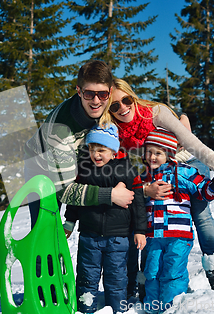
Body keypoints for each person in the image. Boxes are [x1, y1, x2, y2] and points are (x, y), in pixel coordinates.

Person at [103, 78, 214, 293]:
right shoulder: (116, 130)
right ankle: (145, 280)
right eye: (115, 106)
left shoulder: (156, 113)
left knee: (201, 215)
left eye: (126, 100)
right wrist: (143, 189)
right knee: (149, 218)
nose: (123, 108)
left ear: (133, 97)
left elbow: (191, 142)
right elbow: (117, 168)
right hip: (157, 169)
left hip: (188, 161)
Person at [24, 60, 134, 227]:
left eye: (103, 95)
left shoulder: (111, 105)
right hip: (42, 169)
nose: (96, 101)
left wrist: (181, 119)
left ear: (110, 92)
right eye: (89, 94)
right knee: (45, 226)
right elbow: (64, 191)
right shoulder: (60, 130)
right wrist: (110, 195)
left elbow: (144, 113)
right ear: (79, 91)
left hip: (76, 159)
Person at [135, 127, 214, 313]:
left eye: (158, 153)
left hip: (178, 235)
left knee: (172, 273)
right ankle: (152, 308)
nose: (152, 157)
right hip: (153, 237)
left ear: (170, 154)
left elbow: (204, 191)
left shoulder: (185, 173)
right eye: (149, 152)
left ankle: (171, 307)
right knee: (152, 272)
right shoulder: (143, 177)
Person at [62, 123, 147, 313]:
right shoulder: (84, 171)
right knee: (86, 276)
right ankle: (86, 308)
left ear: (114, 152)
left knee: (116, 277)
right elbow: (76, 201)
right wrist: (69, 222)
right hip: (89, 235)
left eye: (101, 150)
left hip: (118, 237)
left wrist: (140, 231)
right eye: (92, 149)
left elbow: (138, 204)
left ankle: (117, 309)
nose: (96, 154)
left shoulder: (127, 170)